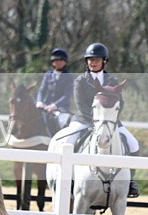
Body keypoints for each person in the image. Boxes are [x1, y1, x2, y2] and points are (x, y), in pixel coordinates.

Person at [55, 43, 140, 197]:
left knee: (133, 144)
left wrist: (108, 120)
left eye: (96, 59)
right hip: (83, 120)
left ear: (104, 61)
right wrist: (96, 121)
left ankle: (130, 182)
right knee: (68, 141)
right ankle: (69, 179)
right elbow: (80, 104)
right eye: (90, 59)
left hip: (110, 122)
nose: (92, 62)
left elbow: (120, 103)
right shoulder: (80, 80)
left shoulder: (112, 80)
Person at [36, 47, 74, 131]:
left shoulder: (69, 77)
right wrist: (39, 101)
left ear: (65, 62)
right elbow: (42, 90)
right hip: (46, 106)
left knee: (62, 122)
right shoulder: (48, 75)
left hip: (62, 109)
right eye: (56, 60)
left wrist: (54, 105)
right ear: (52, 62)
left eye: (61, 60)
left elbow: (66, 96)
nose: (58, 63)